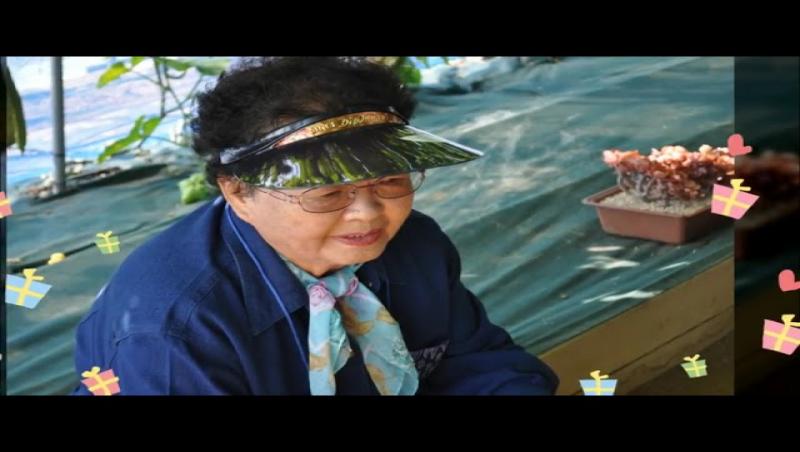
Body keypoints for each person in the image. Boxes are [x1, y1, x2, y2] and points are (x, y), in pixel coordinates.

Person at [72, 57, 558, 395]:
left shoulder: (415, 244)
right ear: (237, 192)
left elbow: (479, 365)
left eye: (390, 179)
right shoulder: (175, 328)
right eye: (327, 193)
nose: (368, 213)